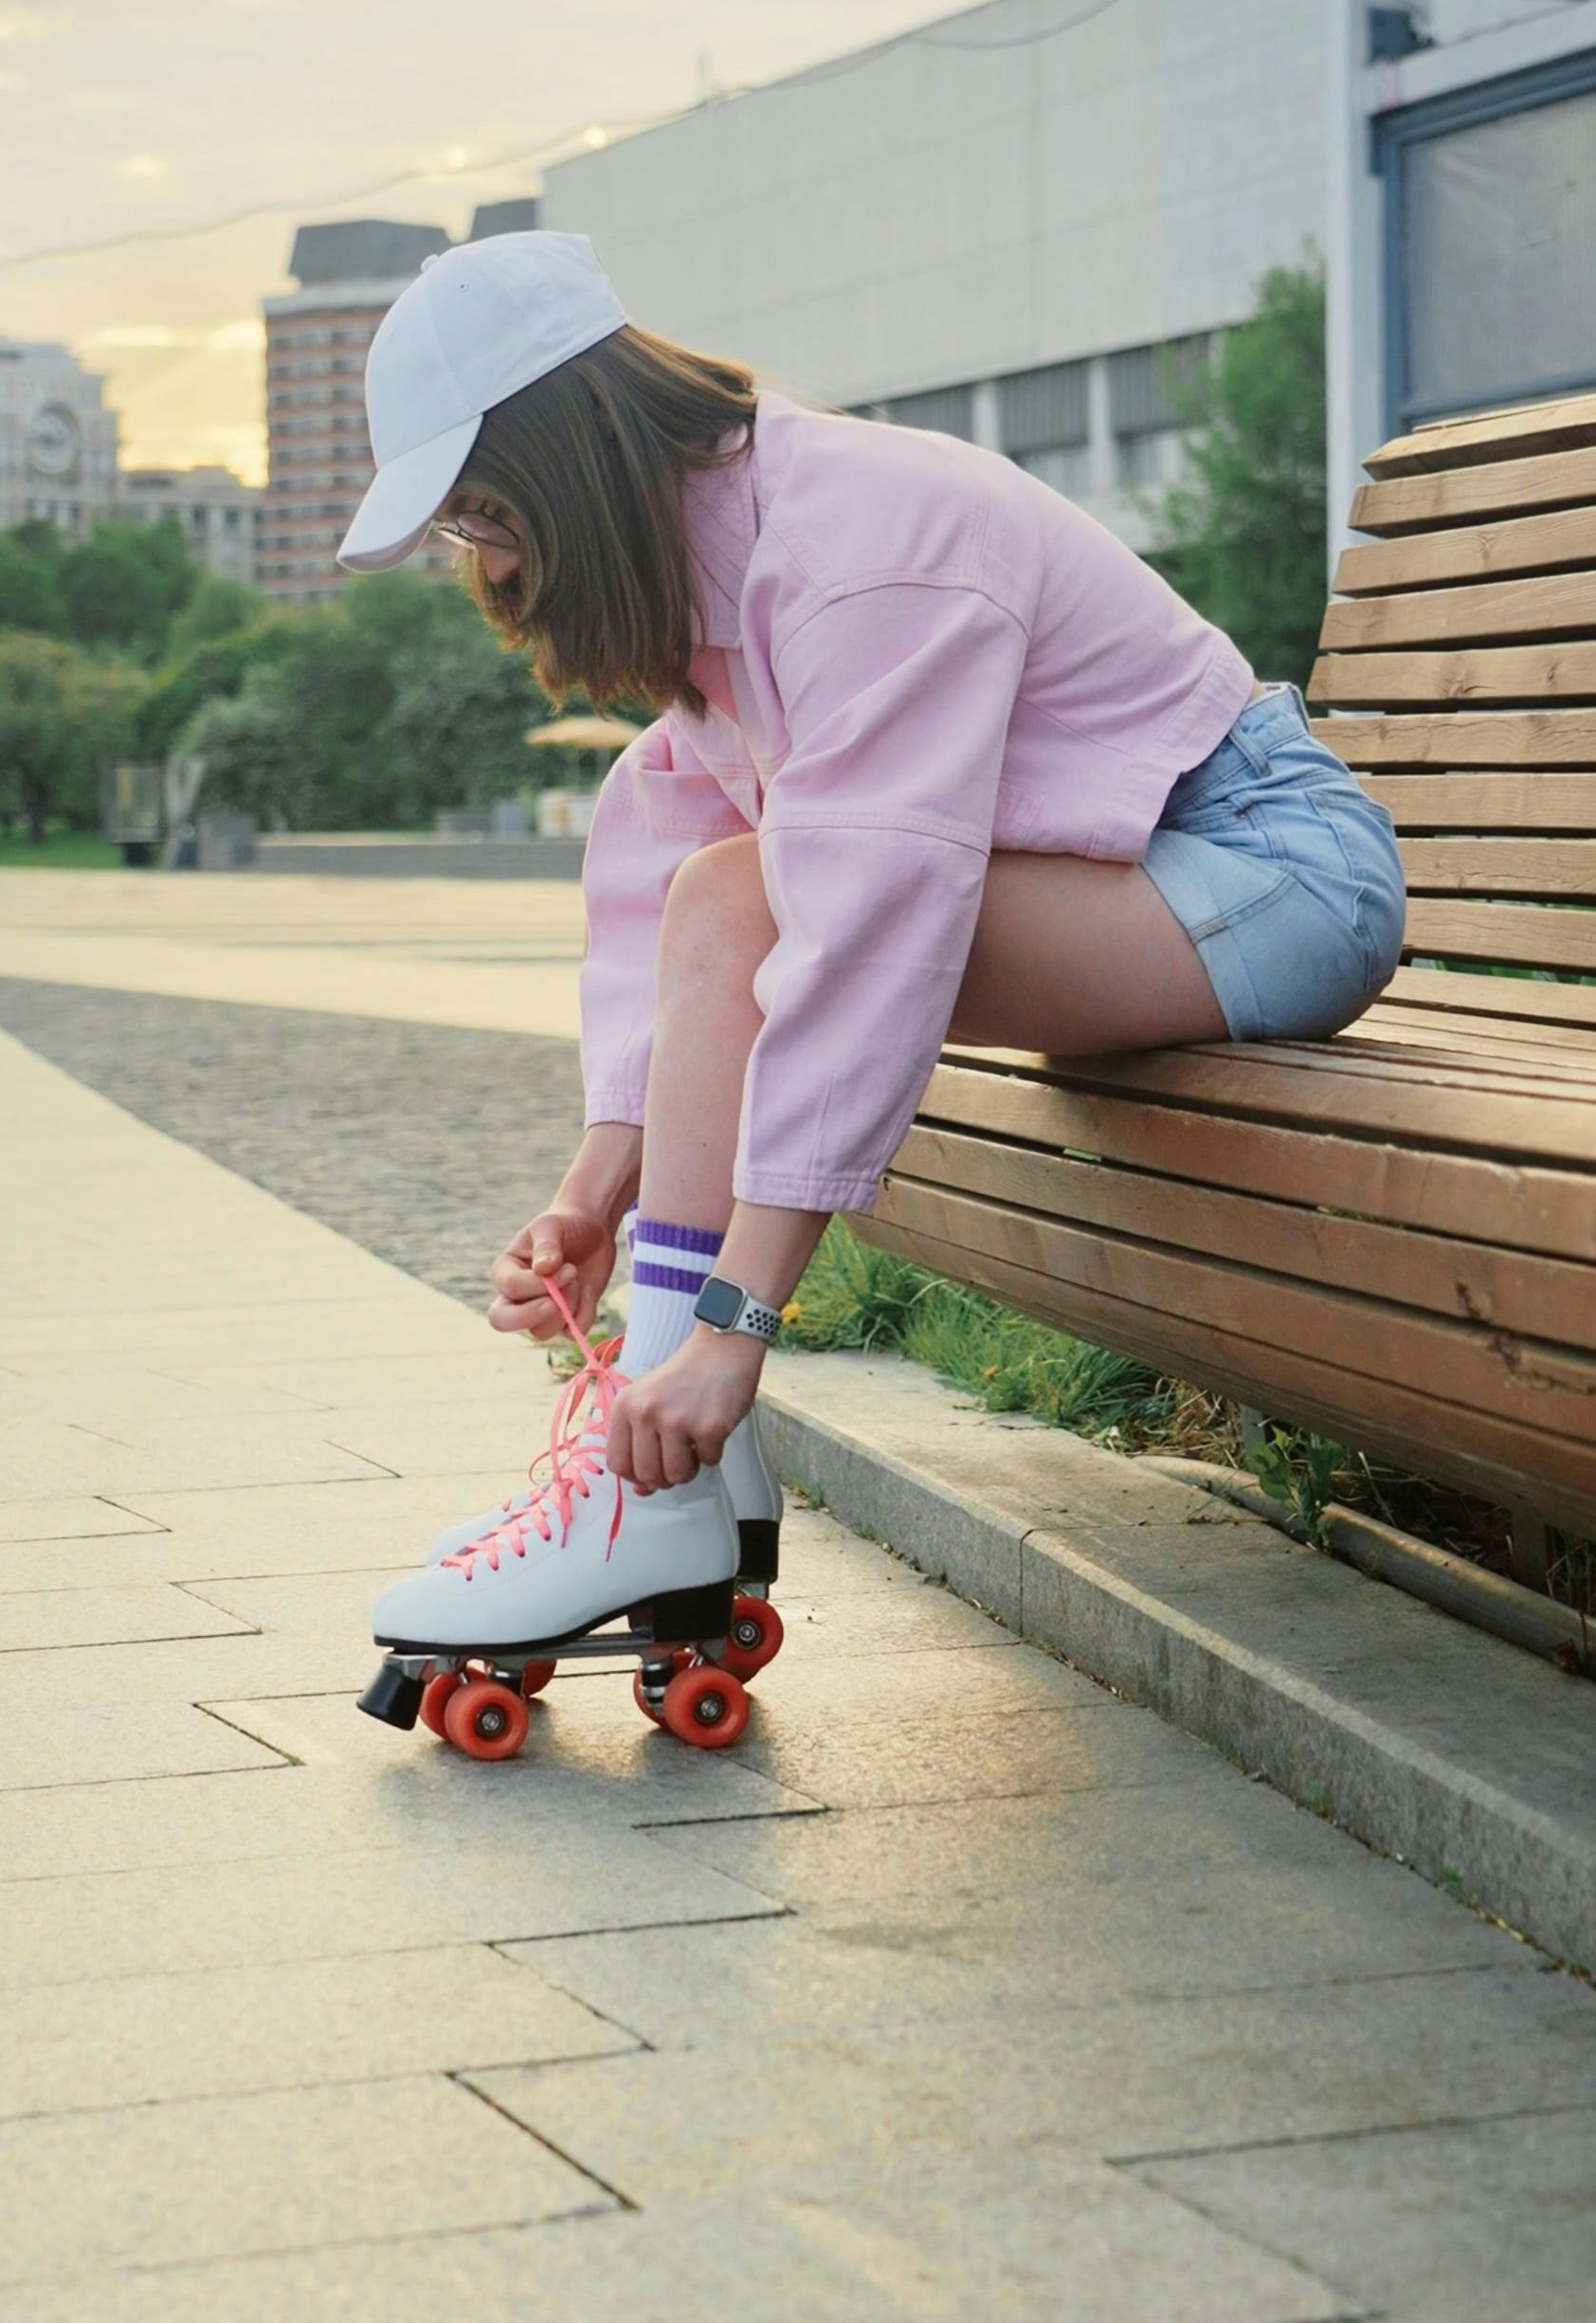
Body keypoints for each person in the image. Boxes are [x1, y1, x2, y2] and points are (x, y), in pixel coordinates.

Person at [345, 229, 1405, 1679]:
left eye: (480, 513)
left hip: (1272, 867)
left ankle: (644, 1489)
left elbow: (866, 933)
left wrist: (732, 1331)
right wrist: (596, 1186)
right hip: (1142, 877)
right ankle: (672, 1491)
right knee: (716, 882)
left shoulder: (864, 548)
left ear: (562, 459)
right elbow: (660, 875)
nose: (488, 558)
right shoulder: (727, 559)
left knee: (751, 898)